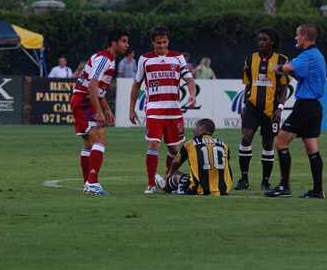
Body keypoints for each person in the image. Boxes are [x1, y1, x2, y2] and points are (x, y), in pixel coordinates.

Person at [129, 27, 197, 194]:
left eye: (164, 42)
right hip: (154, 109)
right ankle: (151, 184)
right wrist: (131, 109)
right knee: (153, 144)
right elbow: (137, 84)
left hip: (174, 110)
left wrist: (192, 95)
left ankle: (168, 178)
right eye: (158, 42)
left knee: (175, 150)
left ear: (168, 41)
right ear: (153, 42)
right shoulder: (145, 59)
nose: (161, 45)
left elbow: (189, 80)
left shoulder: (177, 57)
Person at [265, 24, 327, 198]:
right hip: (314, 107)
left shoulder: (308, 55)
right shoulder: (318, 55)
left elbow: (288, 68)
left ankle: (284, 186)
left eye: (297, 35)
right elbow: (300, 74)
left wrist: (275, 67)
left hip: (305, 106)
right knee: (312, 149)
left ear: (305, 36)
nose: (295, 38)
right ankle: (318, 190)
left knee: (280, 142)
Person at [70, 31, 129, 195]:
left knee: (89, 144)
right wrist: (98, 112)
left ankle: (88, 184)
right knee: (100, 141)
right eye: (123, 41)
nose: (127, 45)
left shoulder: (109, 60)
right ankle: (93, 183)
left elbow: (99, 90)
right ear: (113, 43)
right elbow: (92, 86)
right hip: (84, 101)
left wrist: (107, 109)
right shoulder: (104, 59)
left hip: (82, 100)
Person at [234, 28, 290, 191]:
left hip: (271, 109)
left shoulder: (281, 59)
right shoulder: (251, 59)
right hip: (252, 107)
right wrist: (245, 105)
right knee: (246, 137)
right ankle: (243, 179)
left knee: (268, 144)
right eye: (259, 40)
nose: (261, 43)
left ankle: (265, 181)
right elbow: (248, 84)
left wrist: (279, 109)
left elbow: (284, 87)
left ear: (272, 41)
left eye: (265, 40)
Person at [157, 118, 233, 196]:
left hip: (198, 189)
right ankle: (178, 187)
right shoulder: (224, 145)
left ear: (201, 129)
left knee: (176, 175)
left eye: (196, 126)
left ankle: (166, 186)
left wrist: (168, 175)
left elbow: (176, 162)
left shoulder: (190, 144)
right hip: (223, 190)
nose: (193, 130)